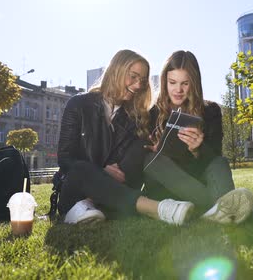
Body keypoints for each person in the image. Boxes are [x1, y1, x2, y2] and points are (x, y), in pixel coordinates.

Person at [54, 49, 194, 225]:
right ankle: (157, 209)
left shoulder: (137, 117)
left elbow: (130, 166)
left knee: (140, 147)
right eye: (133, 76)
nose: (137, 85)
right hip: (76, 190)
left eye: (142, 81)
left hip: (116, 191)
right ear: (116, 71)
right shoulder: (78, 104)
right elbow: (65, 159)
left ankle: (91, 208)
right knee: (81, 168)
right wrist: (100, 170)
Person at [143, 50, 253, 224]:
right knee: (151, 159)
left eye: (185, 83)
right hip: (167, 183)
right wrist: (157, 148)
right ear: (164, 82)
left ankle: (219, 210)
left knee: (220, 162)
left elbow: (215, 155)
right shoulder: (152, 114)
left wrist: (197, 149)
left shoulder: (210, 111)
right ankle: (229, 209)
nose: (178, 90)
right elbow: (141, 156)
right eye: (172, 82)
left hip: (197, 179)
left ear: (194, 83)